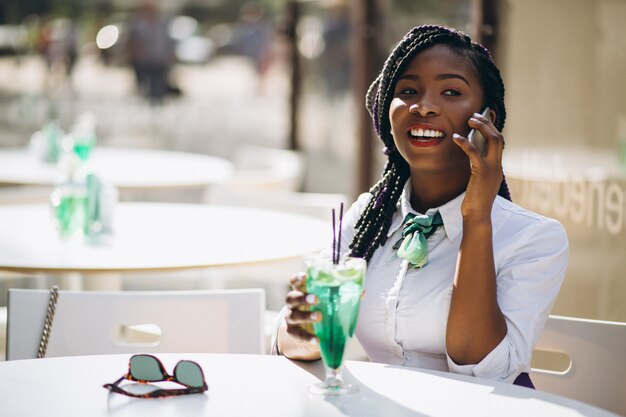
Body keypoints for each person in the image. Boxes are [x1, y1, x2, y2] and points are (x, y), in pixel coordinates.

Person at [274, 25, 569, 388]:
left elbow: (486, 372)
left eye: (451, 91)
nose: (424, 106)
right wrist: (301, 329)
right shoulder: (369, 216)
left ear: (487, 120)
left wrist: (476, 218)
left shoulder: (534, 239)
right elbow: (292, 341)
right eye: (408, 91)